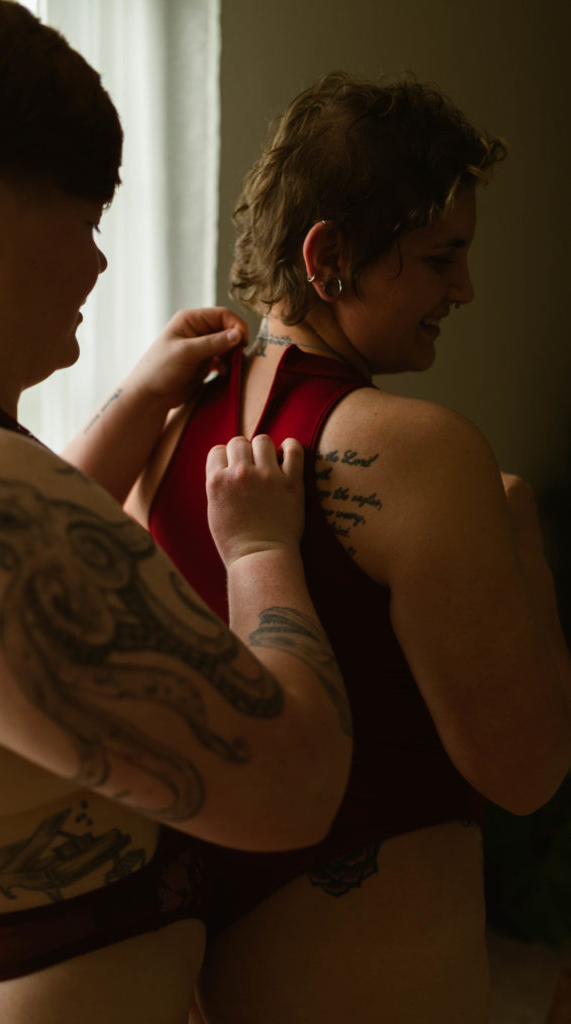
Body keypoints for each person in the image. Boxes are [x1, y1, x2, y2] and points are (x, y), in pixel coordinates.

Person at [0, 5, 353, 1022]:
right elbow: (298, 780)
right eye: (87, 215)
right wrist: (264, 550)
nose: (101, 263)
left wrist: (136, 402)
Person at [124, 72, 571, 1023]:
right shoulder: (418, 451)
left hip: (204, 967)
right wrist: (520, 535)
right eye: (440, 257)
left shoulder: (165, 431)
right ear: (328, 257)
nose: (465, 288)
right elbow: (528, 771)